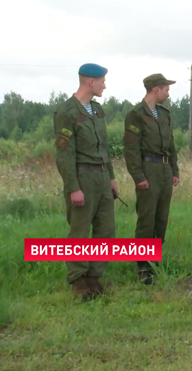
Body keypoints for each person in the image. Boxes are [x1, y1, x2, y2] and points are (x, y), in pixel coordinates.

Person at [53, 63, 117, 301]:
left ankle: (94, 278)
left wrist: (110, 177)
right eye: (102, 81)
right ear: (90, 82)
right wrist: (73, 188)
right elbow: (64, 154)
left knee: (106, 230)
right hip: (82, 177)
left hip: (101, 177)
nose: (104, 86)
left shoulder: (98, 111)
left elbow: (104, 148)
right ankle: (78, 280)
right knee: (80, 231)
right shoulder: (67, 112)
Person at [123, 73, 180, 284]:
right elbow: (131, 149)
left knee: (161, 218)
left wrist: (174, 171)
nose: (168, 93)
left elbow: (171, 145)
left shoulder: (164, 114)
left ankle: (155, 261)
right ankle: (142, 267)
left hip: (164, 170)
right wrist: (138, 176)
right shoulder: (136, 115)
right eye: (166, 89)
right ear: (156, 89)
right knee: (146, 218)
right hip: (148, 168)